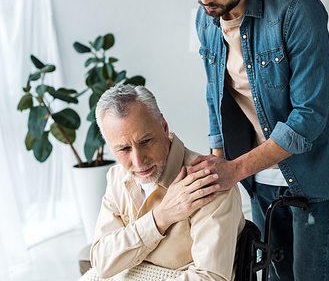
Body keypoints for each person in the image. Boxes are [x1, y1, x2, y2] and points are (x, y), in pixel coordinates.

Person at [183, 0, 329, 280]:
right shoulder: (205, 21)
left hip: (315, 172)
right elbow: (215, 97)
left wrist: (233, 169)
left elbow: (307, 117)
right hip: (258, 177)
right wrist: (217, 165)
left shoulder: (297, 10)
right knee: (274, 274)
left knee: (312, 275)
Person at [87, 84, 245, 281]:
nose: (138, 161)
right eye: (124, 149)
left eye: (145, 141)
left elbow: (211, 278)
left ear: (163, 126)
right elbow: (102, 263)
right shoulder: (116, 177)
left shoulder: (209, 181)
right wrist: (159, 218)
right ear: (110, 147)